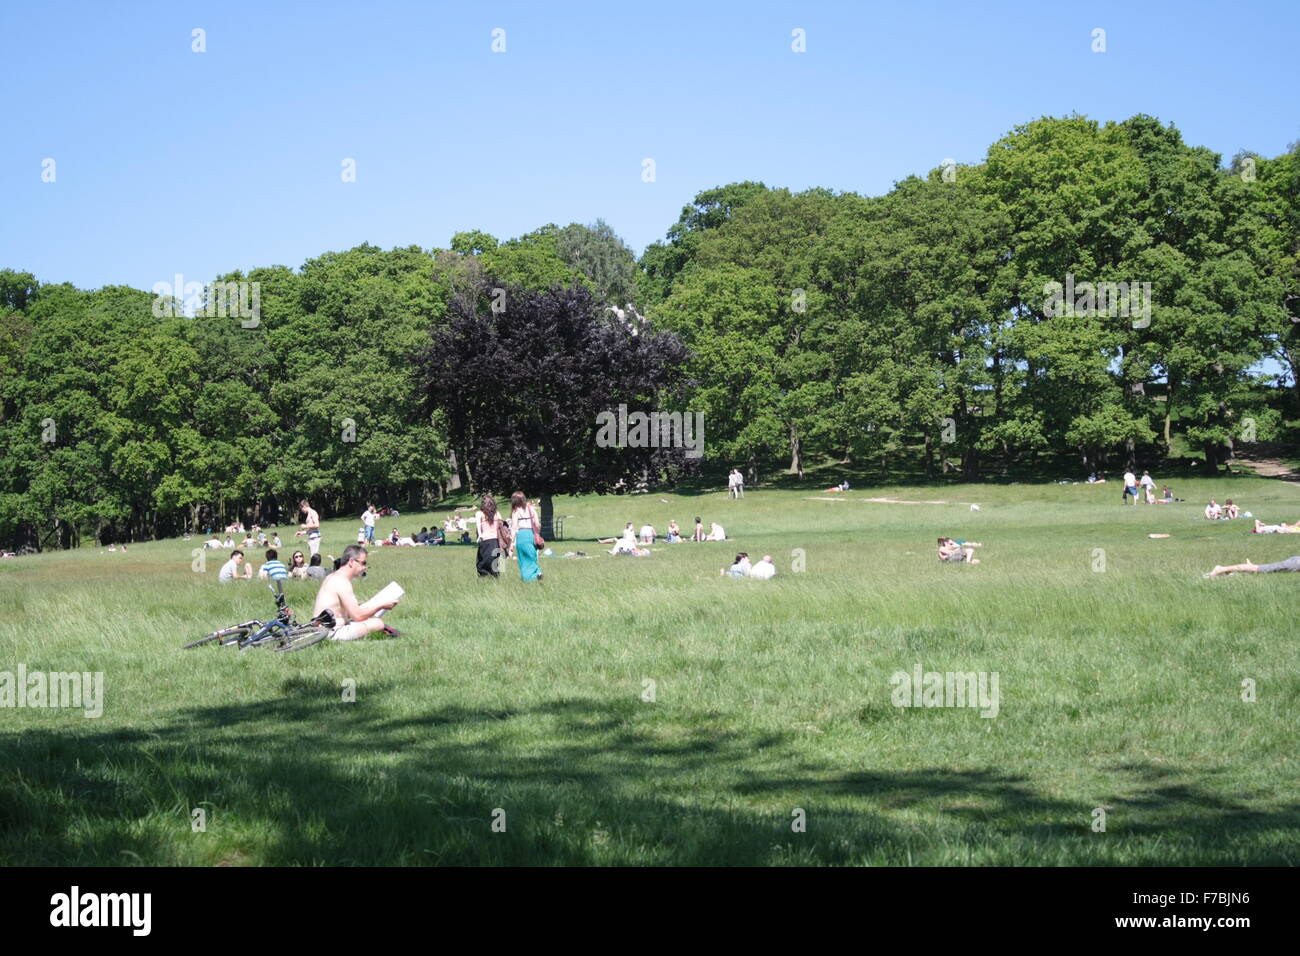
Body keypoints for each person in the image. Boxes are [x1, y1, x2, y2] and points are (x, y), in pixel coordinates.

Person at [312, 545, 400, 639]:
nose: (365, 567)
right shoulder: (342, 582)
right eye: (363, 563)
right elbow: (358, 616)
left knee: (371, 618)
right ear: (351, 562)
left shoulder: (334, 577)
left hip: (322, 630)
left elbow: (345, 611)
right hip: (329, 632)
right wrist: (381, 606)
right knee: (378, 623)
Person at [509, 491, 543, 581]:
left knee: (523, 559)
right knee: (532, 557)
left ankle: (530, 578)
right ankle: (537, 573)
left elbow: (513, 528)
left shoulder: (516, 511)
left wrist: (511, 544)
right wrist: (537, 534)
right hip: (531, 534)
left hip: (522, 535)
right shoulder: (531, 509)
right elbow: (537, 524)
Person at [476, 494, 506, 577]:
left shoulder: (479, 513)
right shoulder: (497, 513)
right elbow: (502, 526)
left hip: (486, 540)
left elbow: (478, 527)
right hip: (496, 541)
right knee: (495, 561)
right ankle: (495, 577)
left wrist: (480, 536)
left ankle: (485, 576)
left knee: (483, 561)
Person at [1205, 555, 1300, 578]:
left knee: (1259, 572)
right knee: (1256, 569)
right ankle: (1221, 569)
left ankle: (1230, 573)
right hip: (1295, 564)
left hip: (1296, 562)